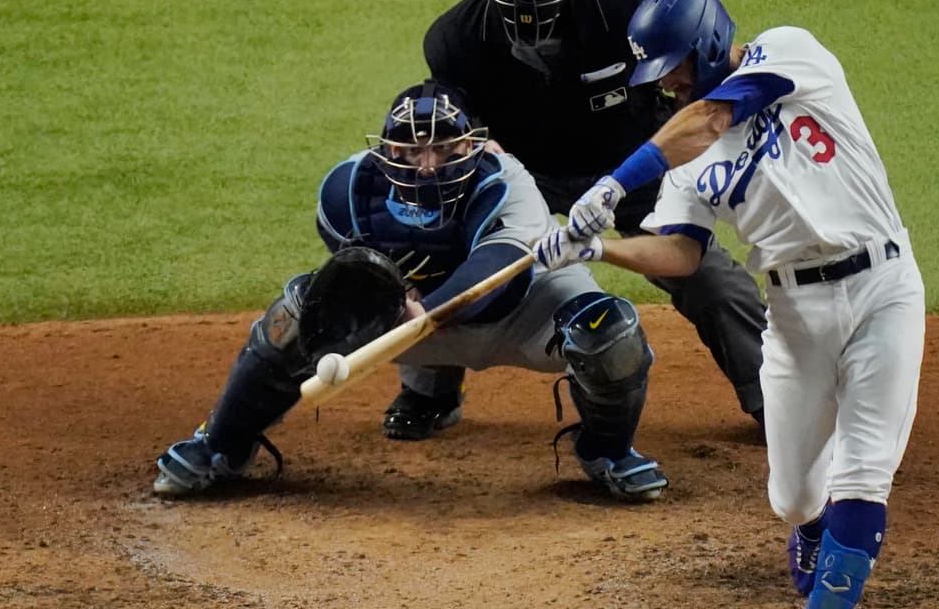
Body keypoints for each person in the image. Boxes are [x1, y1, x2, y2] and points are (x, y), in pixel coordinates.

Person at [535, 0, 926, 609]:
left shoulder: (788, 52)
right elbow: (680, 254)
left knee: (864, 470)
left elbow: (713, 116)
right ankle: (822, 524)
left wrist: (612, 185)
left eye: (677, 66)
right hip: (794, 315)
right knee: (794, 498)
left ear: (711, 44)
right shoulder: (685, 157)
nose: (671, 83)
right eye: (661, 75)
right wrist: (599, 250)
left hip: (882, 291)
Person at [152, 80, 667, 503]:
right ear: (387, 150)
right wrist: (372, 312)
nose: (427, 164)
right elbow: (353, 282)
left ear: (475, 145)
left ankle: (607, 451)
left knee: (608, 332)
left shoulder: (507, 183)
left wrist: (420, 309)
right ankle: (222, 446)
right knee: (295, 314)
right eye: (411, 149)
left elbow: (496, 271)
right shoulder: (347, 190)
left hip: (521, 310)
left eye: (444, 148)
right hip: (408, 319)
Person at [386, 0, 767, 439]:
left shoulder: (627, 8)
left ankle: (769, 396)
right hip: (524, 179)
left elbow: (685, 86)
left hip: (632, 171)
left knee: (709, 279)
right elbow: (452, 131)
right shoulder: (454, 39)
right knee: (447, 252)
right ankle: (429, 389)